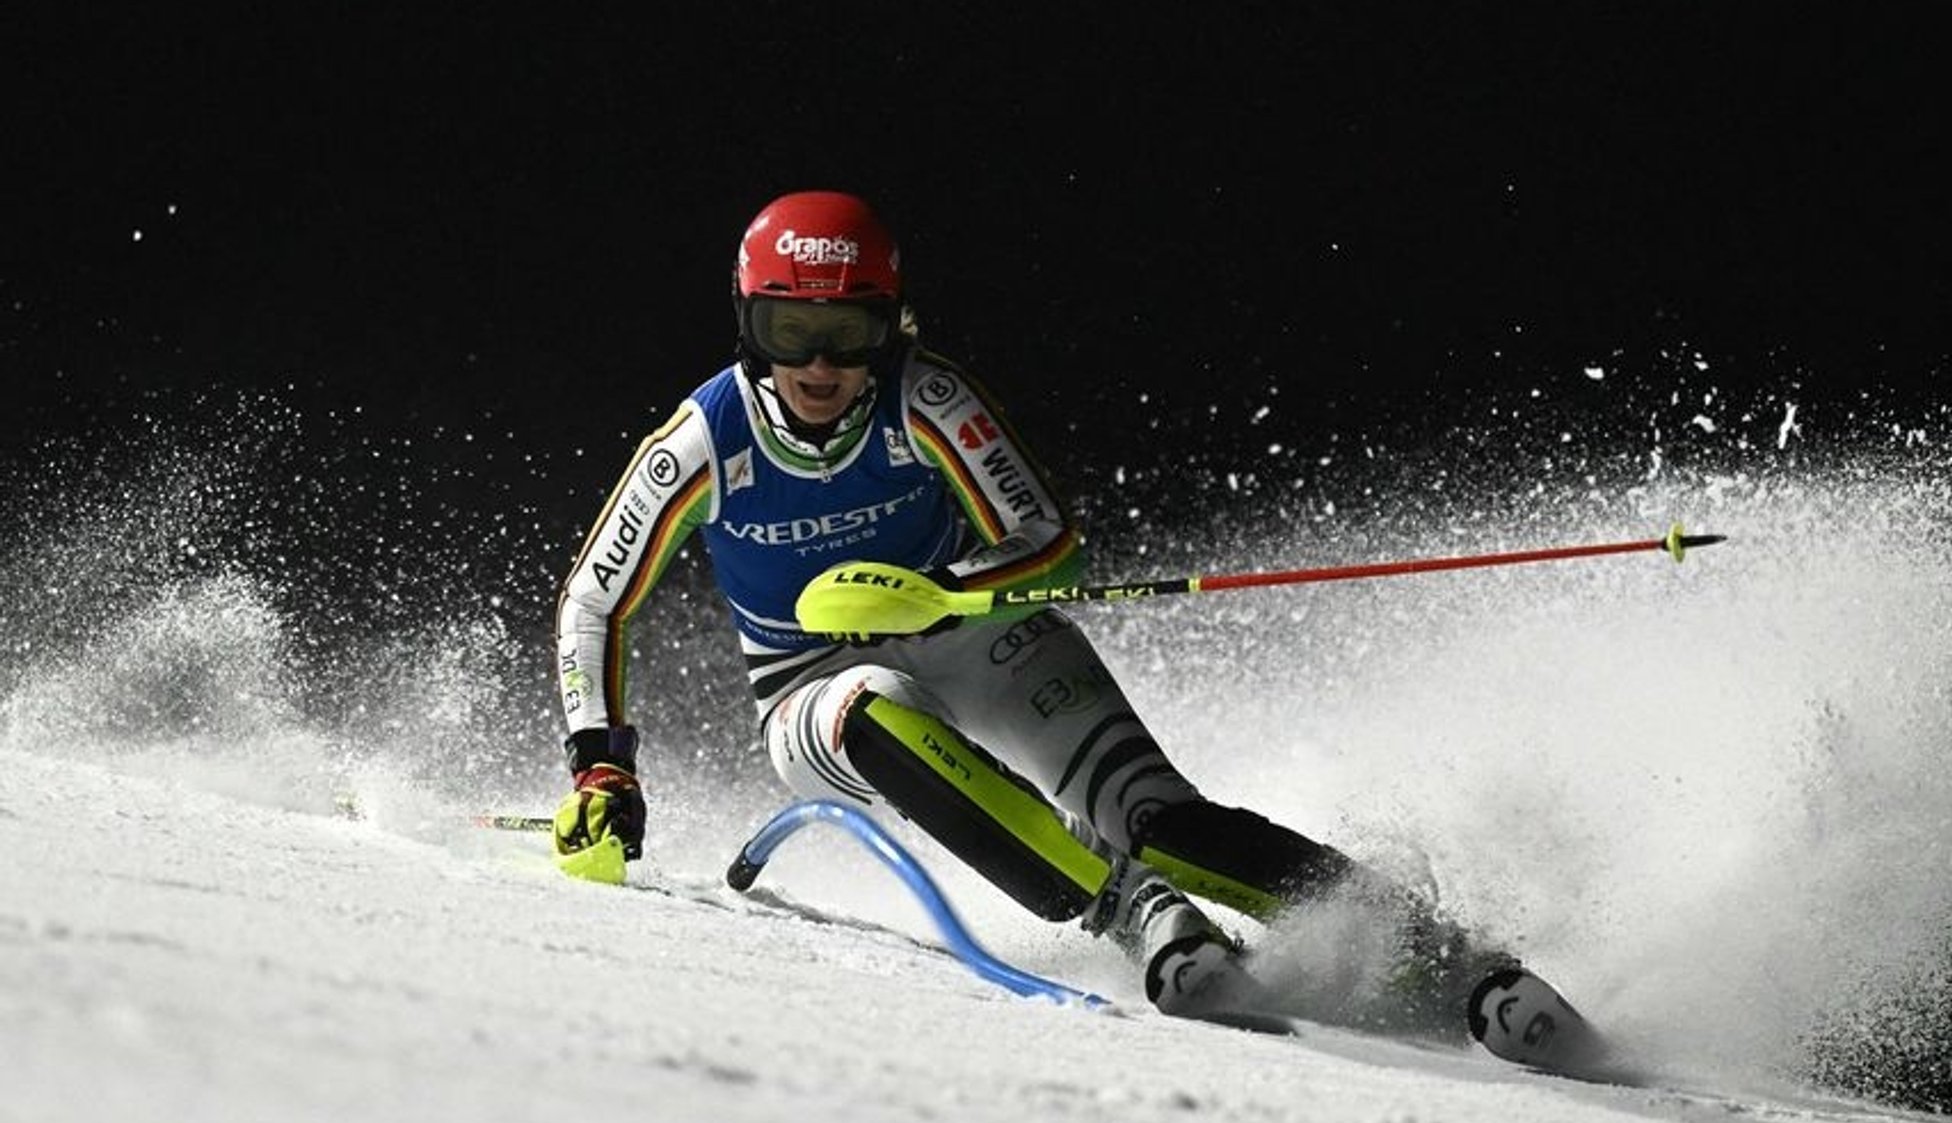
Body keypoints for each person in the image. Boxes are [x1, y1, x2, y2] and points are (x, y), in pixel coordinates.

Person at [548, 190, 1504, 1024]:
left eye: (852, 331)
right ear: (747, 327)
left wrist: (950, 593)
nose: (822, 365)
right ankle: (1129, 909)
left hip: (971, 630)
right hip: (810, 684)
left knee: (1157, 815)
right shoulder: (704, 440)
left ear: (892, 325)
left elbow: (1044, 534)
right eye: (790, 333)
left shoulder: (926, 397)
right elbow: (597, 598)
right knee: (869, 706)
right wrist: (601, 768)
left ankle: (1436, 951)